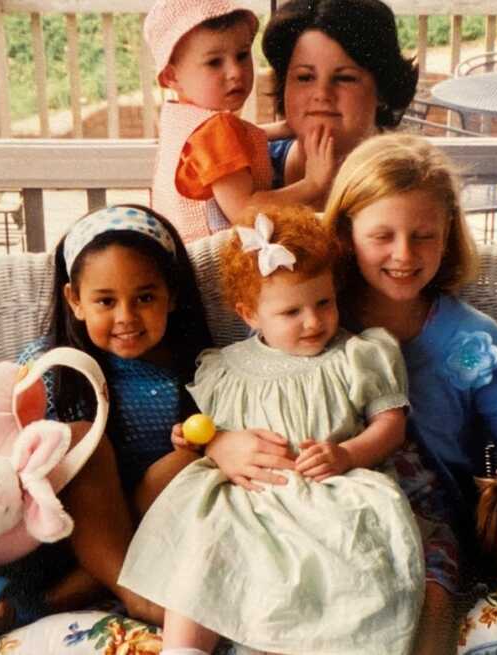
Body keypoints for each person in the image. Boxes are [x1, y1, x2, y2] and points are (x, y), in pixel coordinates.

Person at [322, 133, 497, 651]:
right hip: (329, 513)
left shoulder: (472, 340)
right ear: (344, 232)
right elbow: (254, 387)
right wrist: (224, 443)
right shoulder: (311, 316)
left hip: (432, 529)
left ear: (448, 234)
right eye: (383, 235)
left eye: (424, 235)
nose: (404, 254)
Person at [119, 206, 424, 655]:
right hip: (247, 499)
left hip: (330, 490)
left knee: (355, 555)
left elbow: (391, 424)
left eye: (324, 303)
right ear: (250, 315)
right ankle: (185, 648)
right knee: (204, 547)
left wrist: (349, 454)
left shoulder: (356, 356)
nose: (313, 321)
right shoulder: (225, 369)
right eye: (291, 311)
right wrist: (203, 439)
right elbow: (206, 433)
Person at [0, 204, 213, 632]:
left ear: (173, 295)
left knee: (194, 462)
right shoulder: (50, 369)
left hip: (158, 529)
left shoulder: (202, 369)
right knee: (76, 439)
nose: (126, 317)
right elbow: (12, 449)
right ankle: (136, 597)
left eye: (145, 298)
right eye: (105, 301)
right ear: (75, 301)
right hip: (71, 530)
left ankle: (67, 596)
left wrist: (205, 445)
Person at [145, 0, 320, 243]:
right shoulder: (214, 130)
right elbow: (245, 211)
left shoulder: (182, 118)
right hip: (215, 269)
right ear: (171, 76)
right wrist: (312, 184)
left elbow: (228, 144)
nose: (235, 71)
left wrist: (283, 128)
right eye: (214, 62)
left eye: (242, 55)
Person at [262, 0, 418, 210]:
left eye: (345, 78)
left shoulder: (414, 183)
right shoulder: (244, 172)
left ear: (381, 89)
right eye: (305, 77)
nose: (322, 94)